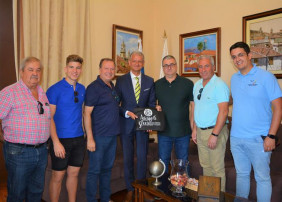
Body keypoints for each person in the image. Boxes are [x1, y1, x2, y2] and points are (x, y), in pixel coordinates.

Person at [229, 42, 282, 201]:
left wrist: (271, 136)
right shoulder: (234, 79)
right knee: (242, 175)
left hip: (258, 139)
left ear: (249, 55)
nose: (237, 59)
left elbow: (278, 108)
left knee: (262, 177)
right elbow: (237, 100)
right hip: (236, 138)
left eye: (240, 55)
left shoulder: (266, 77)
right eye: (233, 57)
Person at [0, 57, 50, 202]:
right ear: (21, 72)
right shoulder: (10, 92)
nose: (35, 73)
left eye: (38, 70)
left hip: (41, 151)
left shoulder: (42, 92)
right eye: (30, 69)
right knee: (17, 193)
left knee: (36, 192)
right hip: (19, 153)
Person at [115, 51, 155, 202]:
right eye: (135, 61)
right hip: (126, 123)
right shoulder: (121, 81)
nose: (137, 64)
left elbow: (151, 104)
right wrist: (126, 112)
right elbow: (116, 104)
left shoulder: (150, 81)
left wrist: (150, 122)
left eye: (140, 61)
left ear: (143, 63)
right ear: (130, 63)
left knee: (142, 157)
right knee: (128, 158)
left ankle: (141, 188)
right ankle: (130, 188)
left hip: (143, 125)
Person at [46, 55, 85, 202]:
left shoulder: (82, 89)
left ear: (81, 70)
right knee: (58, 176)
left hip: (79, 139)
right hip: (61, 140)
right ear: (65, 69)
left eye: (78, 67)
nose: (75, 70)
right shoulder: (54, 90)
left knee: (74, 174)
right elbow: (49, 118)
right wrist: (55, 142)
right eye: (71, 67)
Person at [84, 58, 120, 202]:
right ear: (100, 70)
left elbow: (116, 107)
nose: (109, 71)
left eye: (112, 69)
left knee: (107, 170)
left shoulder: (112, 86)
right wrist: (90, 138)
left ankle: (105, 198)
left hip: (112, 136)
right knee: (94, 171)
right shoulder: (93, 88)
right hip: (98, 137)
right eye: (106, 68)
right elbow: (86, 113)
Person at [192, 55, 229, 191]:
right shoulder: (197, 85)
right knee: (206, 167)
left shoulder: (219, 85)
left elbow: (224, 111)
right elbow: (197, 108)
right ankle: (209, 197)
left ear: (213, 67)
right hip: (201, 131)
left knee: (217, 169)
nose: (203, 69)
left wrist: (215, 134)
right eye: (200, 66)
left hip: (215, 131)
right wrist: (195, 129)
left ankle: (220, 198)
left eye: (206, 66)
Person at [155, 55, 194, 173]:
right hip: (164, 132)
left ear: (176, 66)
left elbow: (193, 106)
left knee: (183, 162)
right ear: (163, 68)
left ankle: (183, 189)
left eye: (172, 64)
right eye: (166, 65)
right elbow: (150, 105)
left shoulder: (188, 84)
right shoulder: (156, 85)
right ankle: (163, 190)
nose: (169, 67)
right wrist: (155, 108)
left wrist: (193, 127)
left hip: (183, 132)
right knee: (163, 162)